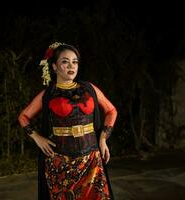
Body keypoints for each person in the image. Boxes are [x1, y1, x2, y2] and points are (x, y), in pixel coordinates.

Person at [18, 42, 117, 200]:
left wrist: (103, 139)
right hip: (60, 163)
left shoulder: (89, 88)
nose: (71, 65)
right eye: (65, 61)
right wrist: (37, 138)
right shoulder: (48, 94)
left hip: (91, 160)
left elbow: (112, 111)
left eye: (75, 61)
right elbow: (23, 117)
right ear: (55, 67)